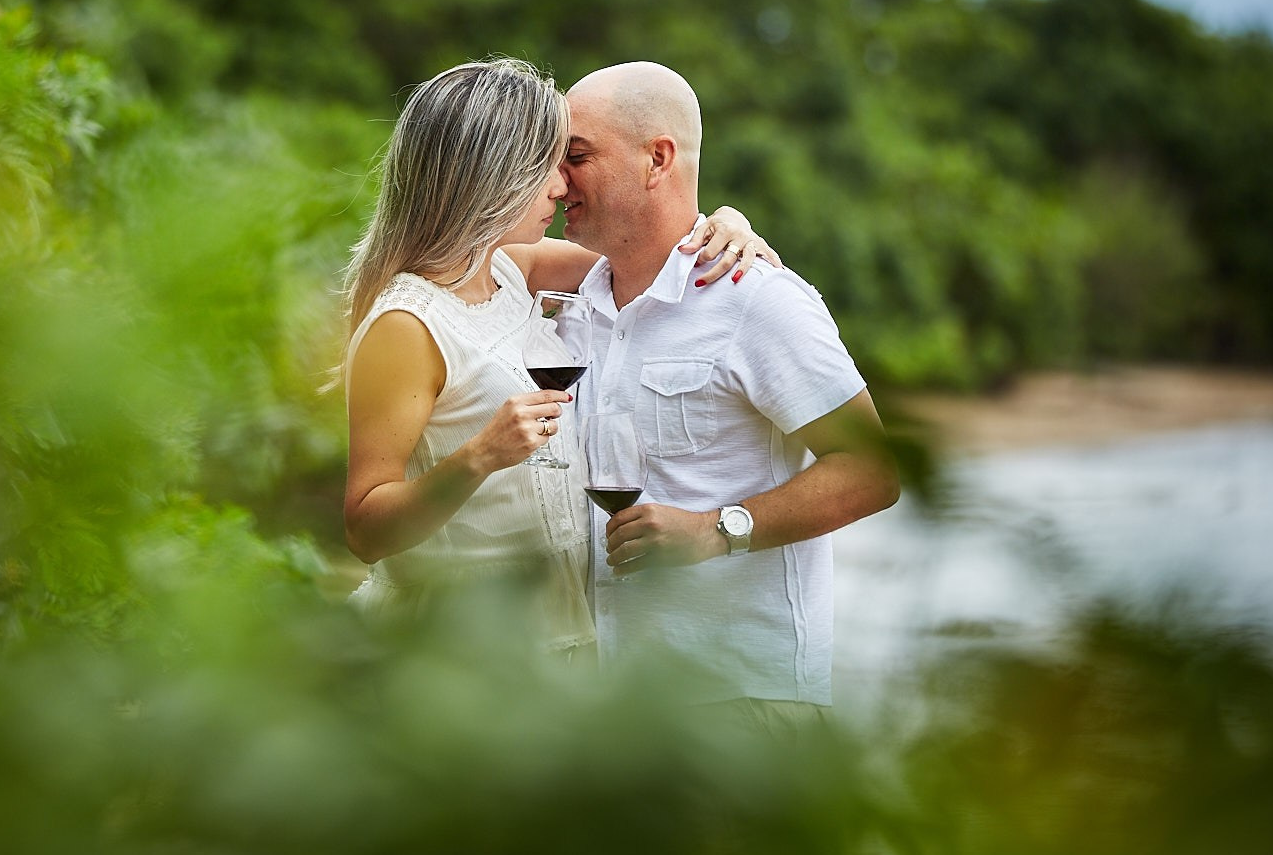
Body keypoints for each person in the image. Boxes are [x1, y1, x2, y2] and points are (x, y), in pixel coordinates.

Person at [341, 57, 774, 654]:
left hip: (558, 644)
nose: (562, 186)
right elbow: (365, 529)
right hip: (456, 651)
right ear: (493, 173)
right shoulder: (406, 326)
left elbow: (648, 256)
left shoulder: (507, 268)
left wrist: (726, 225)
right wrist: (480, 457)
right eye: (550, 164)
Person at [556, 60, 901, 729]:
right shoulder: (570, 305)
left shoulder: (758, 299)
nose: (557, 180)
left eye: (577, 156)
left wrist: (717, 531)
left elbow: (875, 470)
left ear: (657, 159)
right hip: (605, 710)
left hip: (740, 703)